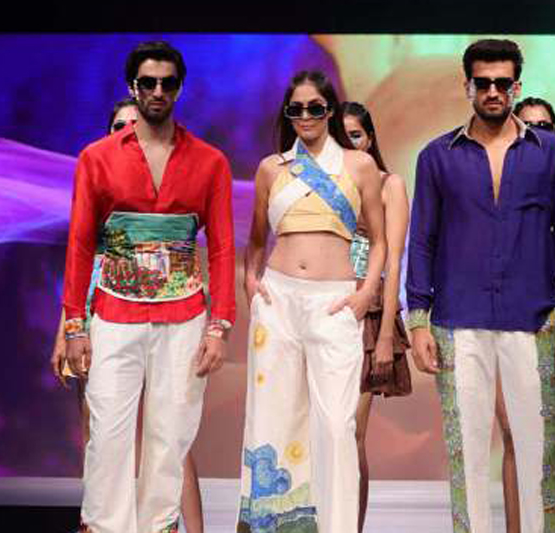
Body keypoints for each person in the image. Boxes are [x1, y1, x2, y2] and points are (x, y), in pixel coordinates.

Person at [406, 39, 555, 533]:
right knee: (466, 454)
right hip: (457, 320)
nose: (493, 91)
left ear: (516, 87)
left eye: (502, 83)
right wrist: (417, 321)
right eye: (483, 82)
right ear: (467, 86)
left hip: (532, 317)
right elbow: (422, 240)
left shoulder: (549, 152)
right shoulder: (436, 156)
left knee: (538, 453)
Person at [62, 41, 235, 533]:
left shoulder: (210, 162)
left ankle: (158, 526)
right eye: (148, 82)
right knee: (108, 437)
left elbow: (222, 249)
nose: (158, 91)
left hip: (185, 318)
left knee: (171, 436)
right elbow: (80, 245)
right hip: (114, 315)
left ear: (179, 88)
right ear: (132, 87)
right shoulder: (96, 158)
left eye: (167, 83)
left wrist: (220, 326)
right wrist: (74, 324)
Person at [237, 70, 386, 533]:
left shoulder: (358, 166)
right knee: (274, 419)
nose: (306, 116)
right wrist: (250, 283)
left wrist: (366, 293)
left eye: (315, 108)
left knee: (338, 426)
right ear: (288, 114)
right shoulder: (272, 168)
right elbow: (256, 239)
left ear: (330, 110)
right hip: (278, 301)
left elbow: (379, 241)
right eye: (296, 109)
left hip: (334, 303)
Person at [50, 96, 205, 533]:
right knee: (101, 431)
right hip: (98, 314)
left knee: (169, 435)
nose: (126, 132)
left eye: (133, 125)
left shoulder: (165, 181)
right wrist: (67, 329)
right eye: (118, 126)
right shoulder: (100, 179)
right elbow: (81, 262)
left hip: (161, 312)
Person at [491, 96, 555, 533]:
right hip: (504, 326)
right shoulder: (498, 186)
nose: (537, 133)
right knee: (514, 437)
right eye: (528, 126)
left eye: (545, 126)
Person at [342, 101, 411, 532]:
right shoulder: (321, 187)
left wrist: (386, 334)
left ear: (369, 138)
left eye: (355, 134)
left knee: (351, 433)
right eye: (340, 136)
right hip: (323, 309)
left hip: (368, 317)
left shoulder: (390, 184)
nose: (349, 143)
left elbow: (395, 261)